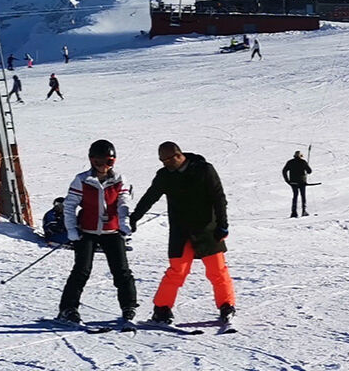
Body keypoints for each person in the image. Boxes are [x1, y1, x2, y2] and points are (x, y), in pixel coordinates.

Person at [131, 142, 236, 325]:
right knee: (176, 271)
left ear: (178, 156)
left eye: (167, 160)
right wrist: (134, 218)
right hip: (181, 232)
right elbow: (150, 197)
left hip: (207, 230)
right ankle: (162, 309)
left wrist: (223, 225)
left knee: (217, 271)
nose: (165, 164)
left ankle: (227, 305)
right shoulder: (165, 175)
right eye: (162, 161)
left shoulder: (204, 169)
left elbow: (219, 198)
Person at [56, 139, 137, 324]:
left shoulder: (119, 179)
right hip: (87, 231)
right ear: (91, 160)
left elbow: (123, 202)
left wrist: (124, 224)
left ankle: (129, 307)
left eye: (109, 162)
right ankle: (68, 309)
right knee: (81, 271)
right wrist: (72, 230)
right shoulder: (82, 180)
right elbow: (70, 206)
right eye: (98, 162)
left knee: (122, 271)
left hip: (112, 231)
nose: (103, 167)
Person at [281, 149, 313, 218]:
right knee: (303, 196)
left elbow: (284, 171)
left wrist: (287, 180)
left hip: (293, 182)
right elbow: (309, 171)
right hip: (302, 182)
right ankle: (304, 211)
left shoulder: (290, 162)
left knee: (295, 196)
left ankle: (294, 212)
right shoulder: (303, 162)